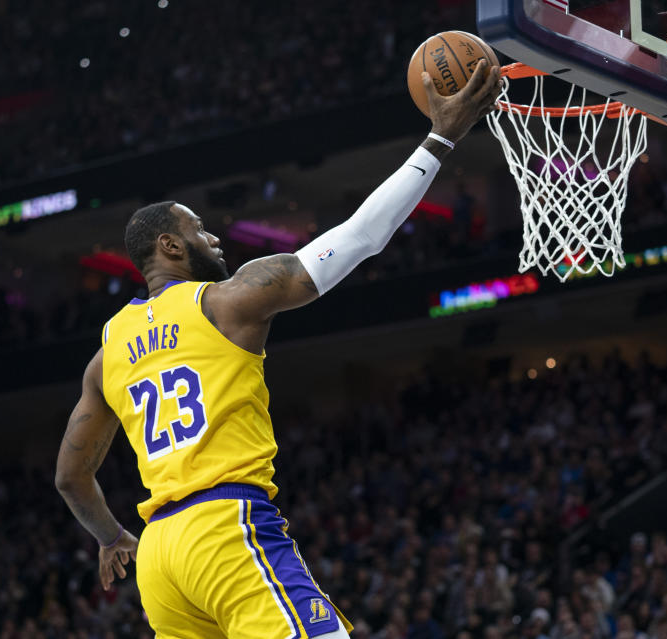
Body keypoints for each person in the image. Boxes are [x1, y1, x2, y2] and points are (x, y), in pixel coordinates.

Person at [53, 61, 503, 639]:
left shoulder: (107, 350)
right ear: (168, 245)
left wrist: (112, 537)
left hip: (161, 562)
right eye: (198, 229)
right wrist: (441, 139)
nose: (213, 236)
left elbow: (70, 476)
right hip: (223, 527)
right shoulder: (226, 300)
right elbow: (361, 237)